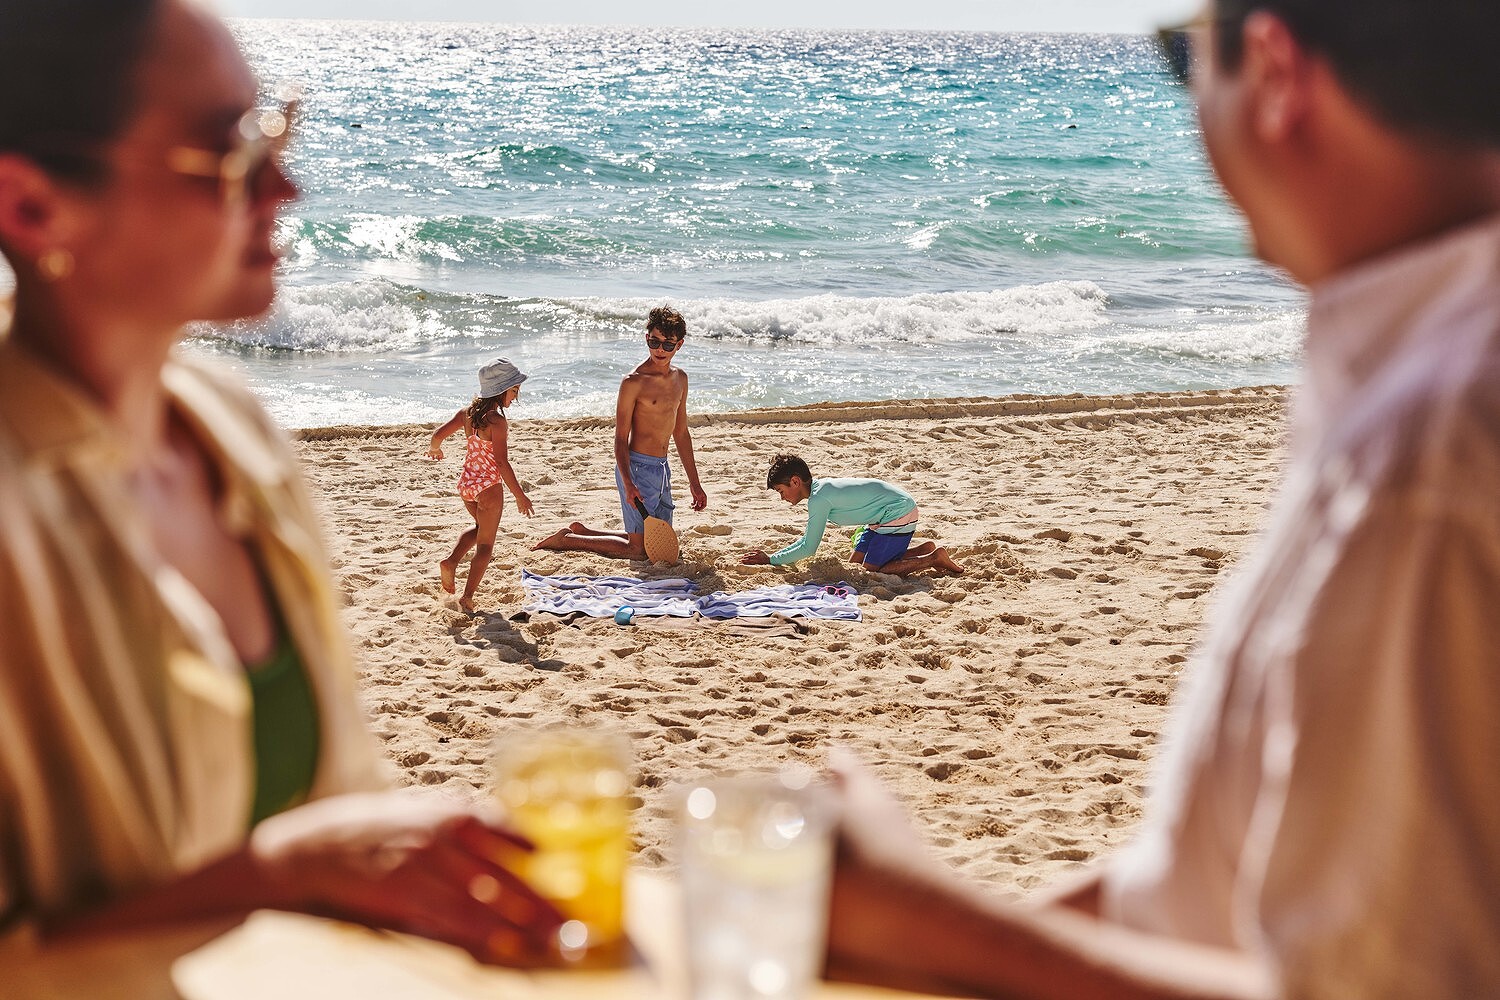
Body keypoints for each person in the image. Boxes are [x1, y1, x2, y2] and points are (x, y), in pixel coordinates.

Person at [824, 1, 1500, 997]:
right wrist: (918, 927)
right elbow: (1227, 887)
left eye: (1183, 56)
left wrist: (931, 919)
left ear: (1275, 73)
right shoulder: (1421, 372)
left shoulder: (1426, 467)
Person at [0, 0, 561, 987]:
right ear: (34, 207)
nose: (286, 185)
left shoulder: (233, 429)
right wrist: (278, 870)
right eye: (232, 154)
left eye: (276, 133)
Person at [534, 306, 708, 559]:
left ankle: (584, 531)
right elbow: (620, 436)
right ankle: (568, 540)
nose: (660, 350)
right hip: (636, 468)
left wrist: (695, 483)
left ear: (679, 345)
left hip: (662, 469)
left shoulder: (680, 379)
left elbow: (681, 433)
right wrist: (628, 482)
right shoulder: (633, 382)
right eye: (654, 342)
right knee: (639, 551)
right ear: (646, 339)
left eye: (668, 345)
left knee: (657, 545)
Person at [741, 454, 964, 576]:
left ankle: (933, 558)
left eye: (781, 491)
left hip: (897, 512)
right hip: (879, 518)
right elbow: (806, 541)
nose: (782, 498)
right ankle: (921, 550)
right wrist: (773, 557)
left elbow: (809, 548)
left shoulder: (819, 500)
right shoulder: (819, 489)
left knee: (874, 570)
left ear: (795, 482)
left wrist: (771, 560)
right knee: (855, 564)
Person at [427, 358, 535, 612]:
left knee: (480, 529)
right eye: (514, 391)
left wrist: (435, 449)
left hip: (467, 486)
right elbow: (502, 463)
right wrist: (520, 496)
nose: (515, 397)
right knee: (486, 545)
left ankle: (451, 562)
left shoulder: (467, 414)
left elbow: (438, 435)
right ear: (501, 390)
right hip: (488, 490)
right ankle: (467, 596)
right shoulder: (497, 422)